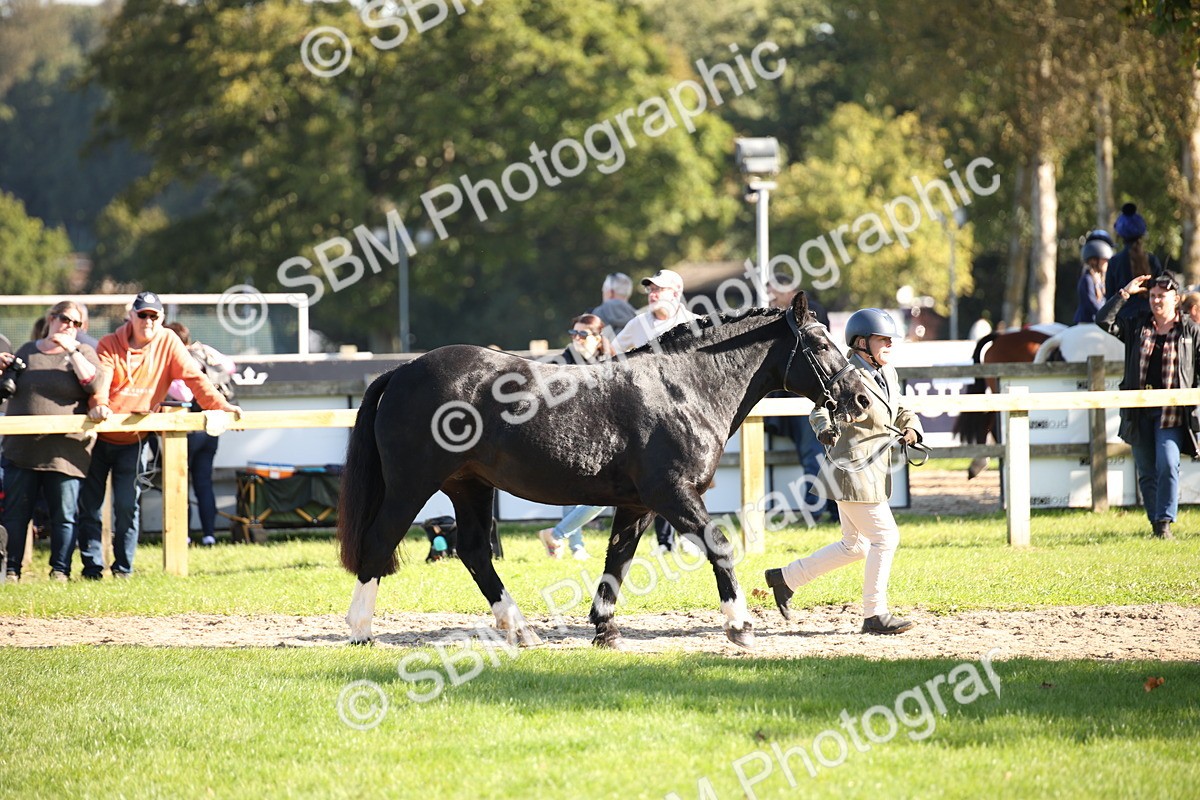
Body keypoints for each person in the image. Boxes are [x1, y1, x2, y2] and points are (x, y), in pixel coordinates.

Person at [764, 307, 925, 634]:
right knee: (885, 537)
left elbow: (901, 408)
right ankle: (874, 614)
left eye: (890, 339)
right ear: (862, 342)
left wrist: (912, 429)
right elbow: (820, 409)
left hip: (873, 470)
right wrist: (825, 430)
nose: (889, 345)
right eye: (883, 339)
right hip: (853, 469)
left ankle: (785, 578)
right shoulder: (846, 373)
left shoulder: (888, 372)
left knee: (855, 546)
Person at [76, 292, 242, 579]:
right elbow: (101, 380)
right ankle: (91, 569)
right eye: (143, 315)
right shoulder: (109, 343)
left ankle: (123, 570)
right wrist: (99, 405)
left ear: (162, 318)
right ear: (131, 315)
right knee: (90, 506)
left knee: (128, 507)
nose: (148, 321)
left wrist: (221, 406)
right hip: (99, 436)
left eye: (154, 316)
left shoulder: (168, 342)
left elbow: (195, 378)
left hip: (136, 438)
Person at [0, 302, 101, 583]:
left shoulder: (84, 353)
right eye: (64, 319)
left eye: (77, 323)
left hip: (65, 453)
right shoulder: (28, 351)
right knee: (16, 516)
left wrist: (72, 350)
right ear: (51, 319)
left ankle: (60, 570)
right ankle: (11, 570)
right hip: (22, 451)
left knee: (65, 516)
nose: (69, 325)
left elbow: (94, 384)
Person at [1096, 270, 1199, 540]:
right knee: (1146, 470)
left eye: (1162, 297)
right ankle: (1157, 525)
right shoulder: (1137, 325)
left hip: (1173, 411)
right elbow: (1103, 320)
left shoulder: (1189, 330)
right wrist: (1125, 293)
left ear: (1175, 299)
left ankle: (1165, 520)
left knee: (1168, 462)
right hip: (1139, 409)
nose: (1156, 301)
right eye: (1152, 296)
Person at [535, 314, 615, 561]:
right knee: (574, 489)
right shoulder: (562, 362)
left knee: (607, 493)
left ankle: (557, 536)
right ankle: (573, 544)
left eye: (583, 334)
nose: (576, 338)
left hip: (602, 435)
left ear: (598, 338)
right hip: (568, 433)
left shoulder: (610, 362)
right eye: (574, 333)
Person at [764, 283, 837, 525]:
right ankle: (827, 509)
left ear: (789, 290)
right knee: (814, 455)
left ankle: (814, 511)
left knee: (813, 455)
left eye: (774, 291)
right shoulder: (784, 313)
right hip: (797, 397)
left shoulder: (811, 310)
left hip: (809, 397)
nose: (770, 297)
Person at [164, 321, 237, 547]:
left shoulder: (180, 360)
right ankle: (209, 535)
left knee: (180, 483)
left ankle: (183, 535)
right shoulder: (204, 351)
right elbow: (230, 366)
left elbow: (184, 394)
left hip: (190, 429)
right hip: (212, 428)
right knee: (204, 483)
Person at [611, 269, 700, 352]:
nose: (652, 294)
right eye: (650, 289)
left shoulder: (695, 323)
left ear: (675, 293)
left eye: (657, 289)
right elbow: (612, 351)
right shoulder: (638, 323)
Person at [1105, 203, 1163, 320]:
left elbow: (1110, 300)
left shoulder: (1114, 262)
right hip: (1149, 320)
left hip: (1122, 322)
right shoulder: (1152, 260)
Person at [1074, 230, 1114, 324]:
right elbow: (1094, 306)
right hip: (1086, 324)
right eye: (1104, 260)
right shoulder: (1087, 280)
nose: (1107, 263)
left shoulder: (1101, 280)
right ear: (1095, 260)